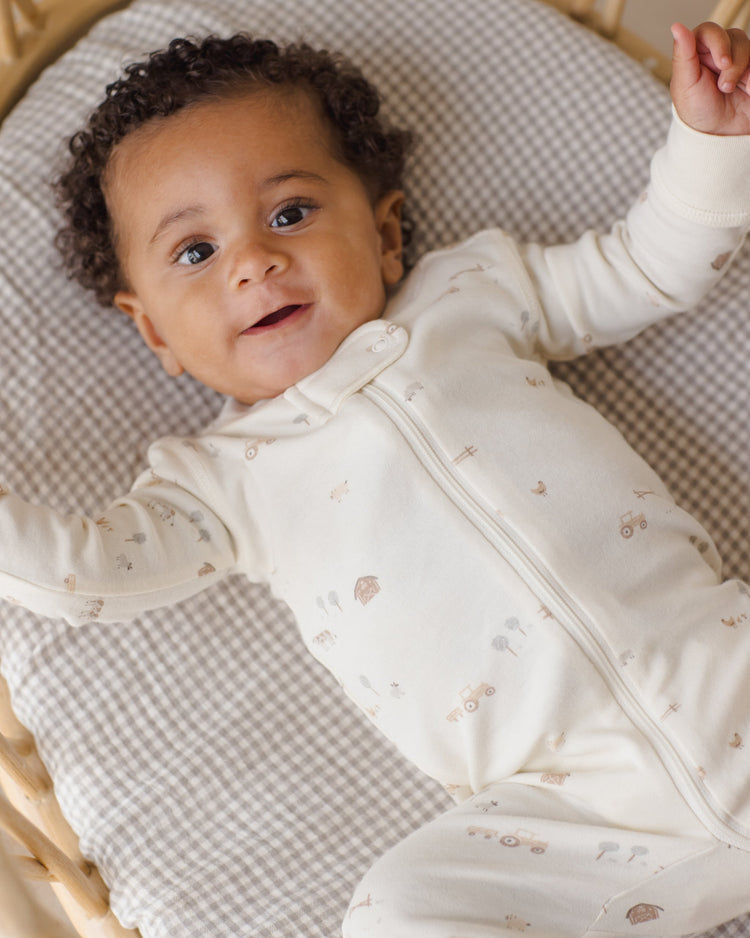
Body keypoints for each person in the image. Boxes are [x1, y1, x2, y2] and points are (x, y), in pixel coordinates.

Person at [3, 19, 750, 937]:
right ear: (154, 330)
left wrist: (711, 143)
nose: (254, 261)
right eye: (195, 253)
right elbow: (81, 573)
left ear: (386, 233)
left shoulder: (470, 295)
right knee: (400, 908)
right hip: (570, 820)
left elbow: (647, 267)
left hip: (719, 663)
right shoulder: (214, 485)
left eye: (290, 213)